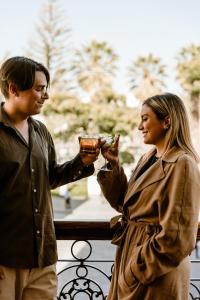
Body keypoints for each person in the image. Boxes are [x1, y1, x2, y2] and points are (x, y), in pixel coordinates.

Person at [0, 56, 99, 300]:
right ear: (13, 89)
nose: (46, 95)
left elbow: (50, 178)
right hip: (4, 259)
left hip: (43, 258)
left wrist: (81, 162)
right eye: (39, 88)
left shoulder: (40, 131)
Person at [97, 93, 200, 300]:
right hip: (133, 259)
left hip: (156, 272)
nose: (139, 126)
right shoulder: (149, 157)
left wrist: (137, 269)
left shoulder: (182, 163)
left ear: (167, 121)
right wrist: (114, 164)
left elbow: (178, 236)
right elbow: (125, 204)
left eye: (145, 118)